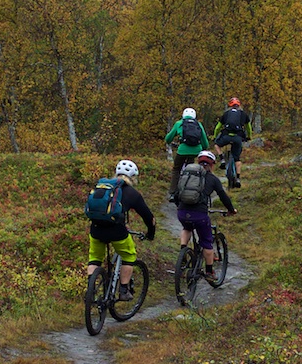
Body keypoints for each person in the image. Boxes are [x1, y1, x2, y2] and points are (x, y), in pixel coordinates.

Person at [85, 158, 156, 299]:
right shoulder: (132, 194)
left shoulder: (102, 187)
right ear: (133, 177)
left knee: (95, 258)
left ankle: (90, 290)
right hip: (117, 232)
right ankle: (123, 290)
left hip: (96, 229)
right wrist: (150, 234)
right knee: (129, 256)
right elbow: (149, 218)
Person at [172, 149, 235, 275]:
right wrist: (231, 210)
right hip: (199, 215)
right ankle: (209, 272)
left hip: (182, 213)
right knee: (207, 242)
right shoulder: (213, 179)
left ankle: (183, 251)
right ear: (212, 164)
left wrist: (181, 207)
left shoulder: (187, 175)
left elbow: (176, 194)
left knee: (187, 227)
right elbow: (223, 196)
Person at [166, 107, 207, 187]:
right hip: (196, 151)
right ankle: (192, 187)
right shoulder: (198, 124)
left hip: (182, 150)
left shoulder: (179, 123)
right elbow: (205, 143)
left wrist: (169, 141)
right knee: (192, 168)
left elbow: (168, 139)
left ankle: (173, 192)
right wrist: (203, 148)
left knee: (176, 169)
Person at [215, 96, 251, 189]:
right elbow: (248, 128)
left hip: (226, 136)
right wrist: (249, 136)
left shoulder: (226, 114)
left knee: (217, 145)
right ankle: (238, 178)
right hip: (238, 138)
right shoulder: (243, 114)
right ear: (239, 105)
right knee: (237, 158)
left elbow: (218, 127)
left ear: (230, 106)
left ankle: (222, 159)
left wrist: (215, 136)